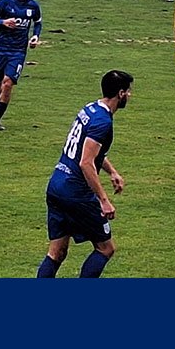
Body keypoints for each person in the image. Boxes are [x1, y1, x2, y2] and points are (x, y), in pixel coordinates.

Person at [37, 69, 133, 279]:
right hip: (76, 193)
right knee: (105, 248)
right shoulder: (103, 122)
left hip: (56, 185)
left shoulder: (90, 109)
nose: (130, 95)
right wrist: (104, 200)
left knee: (56, 253)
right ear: (120, 93)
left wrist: (112, 171)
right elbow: (86, 162)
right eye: (128, 91)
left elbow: (88, 151)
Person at [0, 0, 43, 131]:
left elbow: (38, 23)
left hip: (18, 51)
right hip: (1, 50)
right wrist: (2, 22)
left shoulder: (33, 6)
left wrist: (35, 37)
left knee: (8, 83)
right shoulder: (5, 3)